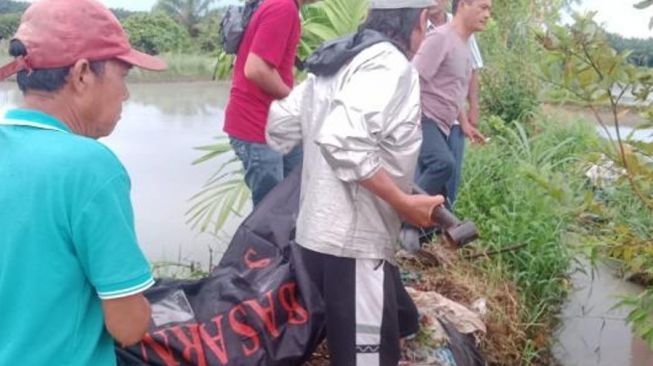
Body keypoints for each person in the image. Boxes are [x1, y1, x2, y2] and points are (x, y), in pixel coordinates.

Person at [266, 0, 442, 364]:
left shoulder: (339, 59)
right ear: (420, 20)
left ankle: (402, 321)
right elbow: (343, 139)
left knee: (379, 329)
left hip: (314, 239)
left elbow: (280, 126)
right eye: (431, 22)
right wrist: (403, 202)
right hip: (354, 249)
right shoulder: (391, 65)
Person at [0, 0, 166, 364]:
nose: (125, 94)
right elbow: (127, 327)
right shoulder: (90, 167)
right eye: (123, 76)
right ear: (81, 74)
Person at [223, 0, 319, 206]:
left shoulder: (283, 6)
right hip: (258, 128)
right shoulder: (282, 7)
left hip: (276, 126)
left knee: (293, 204)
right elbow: (256, 69)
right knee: (268, 216)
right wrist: (296, 101)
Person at [413, 0, 492, 206]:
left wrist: (465, 124)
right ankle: (405, 219)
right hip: (424, 119)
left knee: (443, 193)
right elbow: (412, 78)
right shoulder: (440, 38)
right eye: (483, 7)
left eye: (489, 9)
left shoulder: (464, 44)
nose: (487, 15)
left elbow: (453, 91)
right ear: (464, 4)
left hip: (443, 125)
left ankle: (420, 234)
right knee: (442, 164)